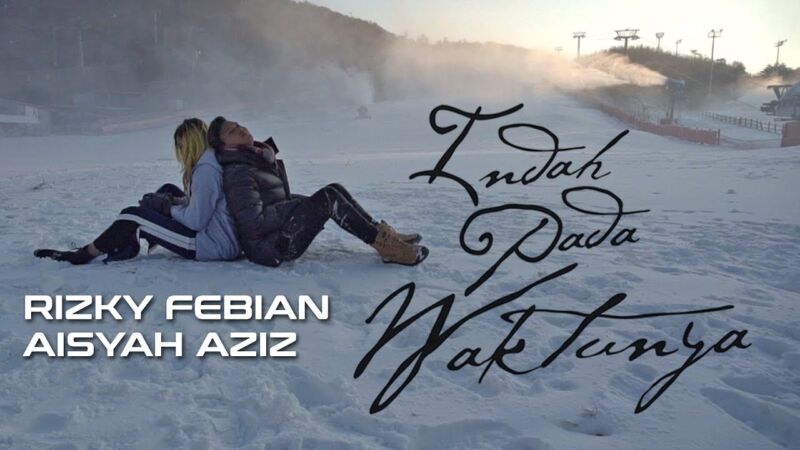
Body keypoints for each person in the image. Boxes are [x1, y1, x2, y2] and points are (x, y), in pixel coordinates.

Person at [207, 116, 428, 267]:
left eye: (238, 124)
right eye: (232, 131)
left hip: (279, 233)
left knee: (333, 190)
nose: (240, 129)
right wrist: (298, 206)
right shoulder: (238, 173)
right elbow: (255, 223)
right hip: (272, 247)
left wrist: (303, 204)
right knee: (328, 198)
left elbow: (276, 201)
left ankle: (381, 234)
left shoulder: (255, 158)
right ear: (224, 145)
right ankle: (386, 247)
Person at [34, 118, 240, 264]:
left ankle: (84, 255)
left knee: (132, 215)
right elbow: (206, 204)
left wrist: (168, 209)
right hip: (216, 236)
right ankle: (127, 243)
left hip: (211, 245)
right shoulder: (209, 161)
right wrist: (176, 202)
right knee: (166, 190)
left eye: (180, 146)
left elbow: (197, 220)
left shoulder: (205, 170)